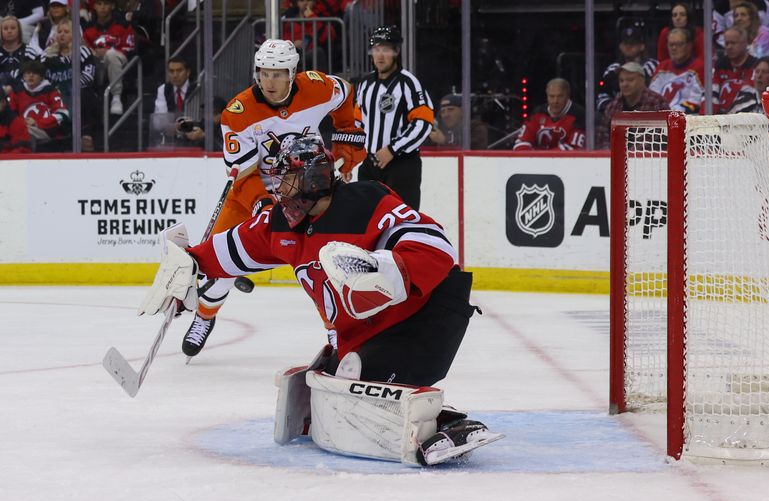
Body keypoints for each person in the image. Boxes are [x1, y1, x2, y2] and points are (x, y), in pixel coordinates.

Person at [138, 135, 501, 466]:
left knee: (353, 384)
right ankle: (414, 406)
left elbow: (435, 244)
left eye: (288, 178)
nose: (279, 189)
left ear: (314, 178)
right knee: (328, 386)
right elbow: (234, 246)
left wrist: (387, 268)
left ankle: (450, 424)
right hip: (367, 332)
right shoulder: (282, 222)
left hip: (427, 316)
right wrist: (189, 265)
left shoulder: (366, 201)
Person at [179, 38, 366, 359]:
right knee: (224, 260)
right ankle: (205, 316)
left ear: (293, 73)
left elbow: (346, 94)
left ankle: (338, 334)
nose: (270, 81)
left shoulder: (318, 88)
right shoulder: (238, 113)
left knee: (319, 267)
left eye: (278, 74)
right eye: (264, 73)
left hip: (309, 192)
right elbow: (244, 173)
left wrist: (348, 138)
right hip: (253, 191)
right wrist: (261, 204)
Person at [355, 25, 434, 211]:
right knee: (366, 219)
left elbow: (423, 123)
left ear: (396, 52)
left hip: (402, 165)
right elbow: (356, 122)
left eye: (386, 49)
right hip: (370, 165)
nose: (380, 55)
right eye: (376, 49)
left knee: (402, 220)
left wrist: (393, 149)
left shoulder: (408, 83)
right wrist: (349, 157)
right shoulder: (365, 84)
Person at [41, 18, 98, 151]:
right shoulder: (47, 54)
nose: (61, 34)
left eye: (66, 31)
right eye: (59, 31)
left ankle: (84, 134)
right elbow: (41, 77)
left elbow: (89, 76)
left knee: (79, 93)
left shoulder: (83, 51)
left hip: (77, 93)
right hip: (54, 94)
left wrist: (66, 87)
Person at [595, 62, 670, 149]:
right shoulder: (614, 105)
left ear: (642, 81)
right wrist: (610, 152)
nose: (625, 84)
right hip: (615, 157)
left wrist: (629, 153)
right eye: (621, 81)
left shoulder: (657, 102)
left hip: (651, 158)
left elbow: (660, 136)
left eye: (630, 80)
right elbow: (602, 135)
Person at [83, 0, 136, 115]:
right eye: (99, 4)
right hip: (97, 62)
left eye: (106, 4)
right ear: (94, 6)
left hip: (119, 60)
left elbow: (130, 47)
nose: (102, 7)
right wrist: (94, 52)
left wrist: (109, 51)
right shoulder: (88, 28)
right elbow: (85, 49)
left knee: (111, 55)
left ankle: (116, 98)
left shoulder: (123, 24)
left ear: (112, 6)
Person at [8, 60, 69, 150]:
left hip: (47, 132)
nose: (31, 76)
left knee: (25, 131)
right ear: (24, 76)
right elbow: (9, 114)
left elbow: (63, 114)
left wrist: (37, 123)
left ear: (41, 77)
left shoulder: (51, 91)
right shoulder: (17, 92)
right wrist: (20, 123)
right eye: (28, 73)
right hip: (22, 129)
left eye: (35, 73)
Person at [596, 26, 658, 115]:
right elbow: (603, 93)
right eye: (625, 43)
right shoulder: (612, 69)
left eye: (633, 43)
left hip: (646, 111)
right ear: (620, 46)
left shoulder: (653, 65)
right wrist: (613, 108)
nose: (628, 46)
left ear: (642, 46)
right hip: (617, 113)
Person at [513, 78, 585, 151]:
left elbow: (573, 149)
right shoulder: (538, 113)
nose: (555, 101)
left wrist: (541, 157)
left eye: (560, 96)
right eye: (551, 96)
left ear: (568, 96)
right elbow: (520, 144)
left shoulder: (578, 115)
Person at [648, 28, 705, 114]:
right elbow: (651, 95)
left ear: (689, 46)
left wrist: (672, 113)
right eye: (671, 45)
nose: (674, 48)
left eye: (679, 44)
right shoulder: (662, 67)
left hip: (687, 119)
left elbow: (696, 100)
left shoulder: (700, 67)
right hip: (660, 119)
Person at [712, 26, 758, 114]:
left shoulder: (755, 65)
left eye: (733, 43)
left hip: (741, 117)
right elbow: (711, 94)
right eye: (726, 43)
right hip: (718, 117)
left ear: (745, 43)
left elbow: (748, 96)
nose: (729, 47)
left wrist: (729, 118)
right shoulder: (719, 64)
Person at [282, 0, 335, 72]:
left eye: (309, 0)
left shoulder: (321, 17)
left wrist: (311, 17)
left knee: (318, 52)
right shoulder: (289, 20)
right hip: (293, 53)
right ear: (297, 3)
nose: (305, 3)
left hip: (309, 53)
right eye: (302, 1)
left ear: (314, 2)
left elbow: (327, 36)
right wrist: (293, 43)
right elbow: (283, 39)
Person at [1, 16, 33, 93]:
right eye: (5, 29)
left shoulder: (29, 51)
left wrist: (13, 87)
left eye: (13, 28)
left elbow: (35, 75)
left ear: (19, 30)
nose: (9, 31)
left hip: (24, 93)